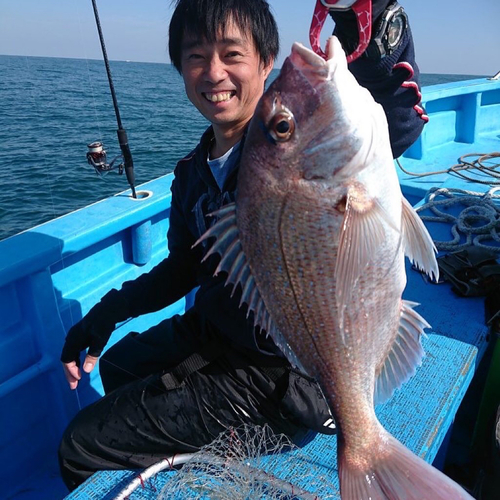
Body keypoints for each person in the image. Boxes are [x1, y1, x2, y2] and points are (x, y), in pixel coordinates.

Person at [58, 0, 426, 490]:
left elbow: (397, 119)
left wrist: (371, 20)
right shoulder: (192, 172)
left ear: (264, 61)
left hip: (277, 375)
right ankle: (201, 446)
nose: (214, 73)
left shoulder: (304, 155)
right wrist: (107, 311)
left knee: (79, 447)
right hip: (221, 336)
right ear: (180, 67)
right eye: (195, 56)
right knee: (120, 365)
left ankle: (311, 422)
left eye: (232, 53)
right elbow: (185, 268)